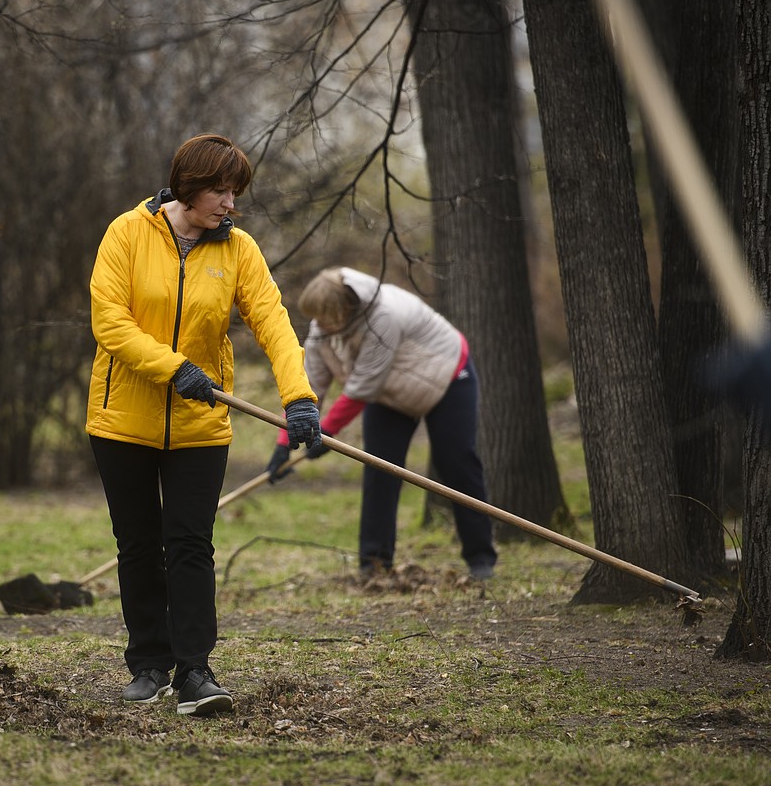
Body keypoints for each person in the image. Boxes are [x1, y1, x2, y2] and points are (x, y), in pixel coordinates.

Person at [86, 133, 319, 717]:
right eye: (221, 190)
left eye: (235, 192)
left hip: (200, 423)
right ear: (189, 186)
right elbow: (109, 321)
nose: (230, 204)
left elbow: (274, 322)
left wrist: (300, 398)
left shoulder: (238, 249)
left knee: (190, 543)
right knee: (138, 546)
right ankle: (147, 665)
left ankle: (195, 671)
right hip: (122, 421)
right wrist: (173, 368)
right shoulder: (126, 233)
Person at [267, 266, 497, 581]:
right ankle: (374, 565)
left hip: (447, 378)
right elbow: (307, 389)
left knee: (456, 462)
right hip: (390, 393)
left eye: (324, 318)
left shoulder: (384, 316)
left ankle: (480, 558)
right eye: (315, 318)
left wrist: (327, 432)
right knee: (379, 469)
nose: (317, 326)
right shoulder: (324, 328)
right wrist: (284, 443)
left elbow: (361, 387)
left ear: (344, 310)